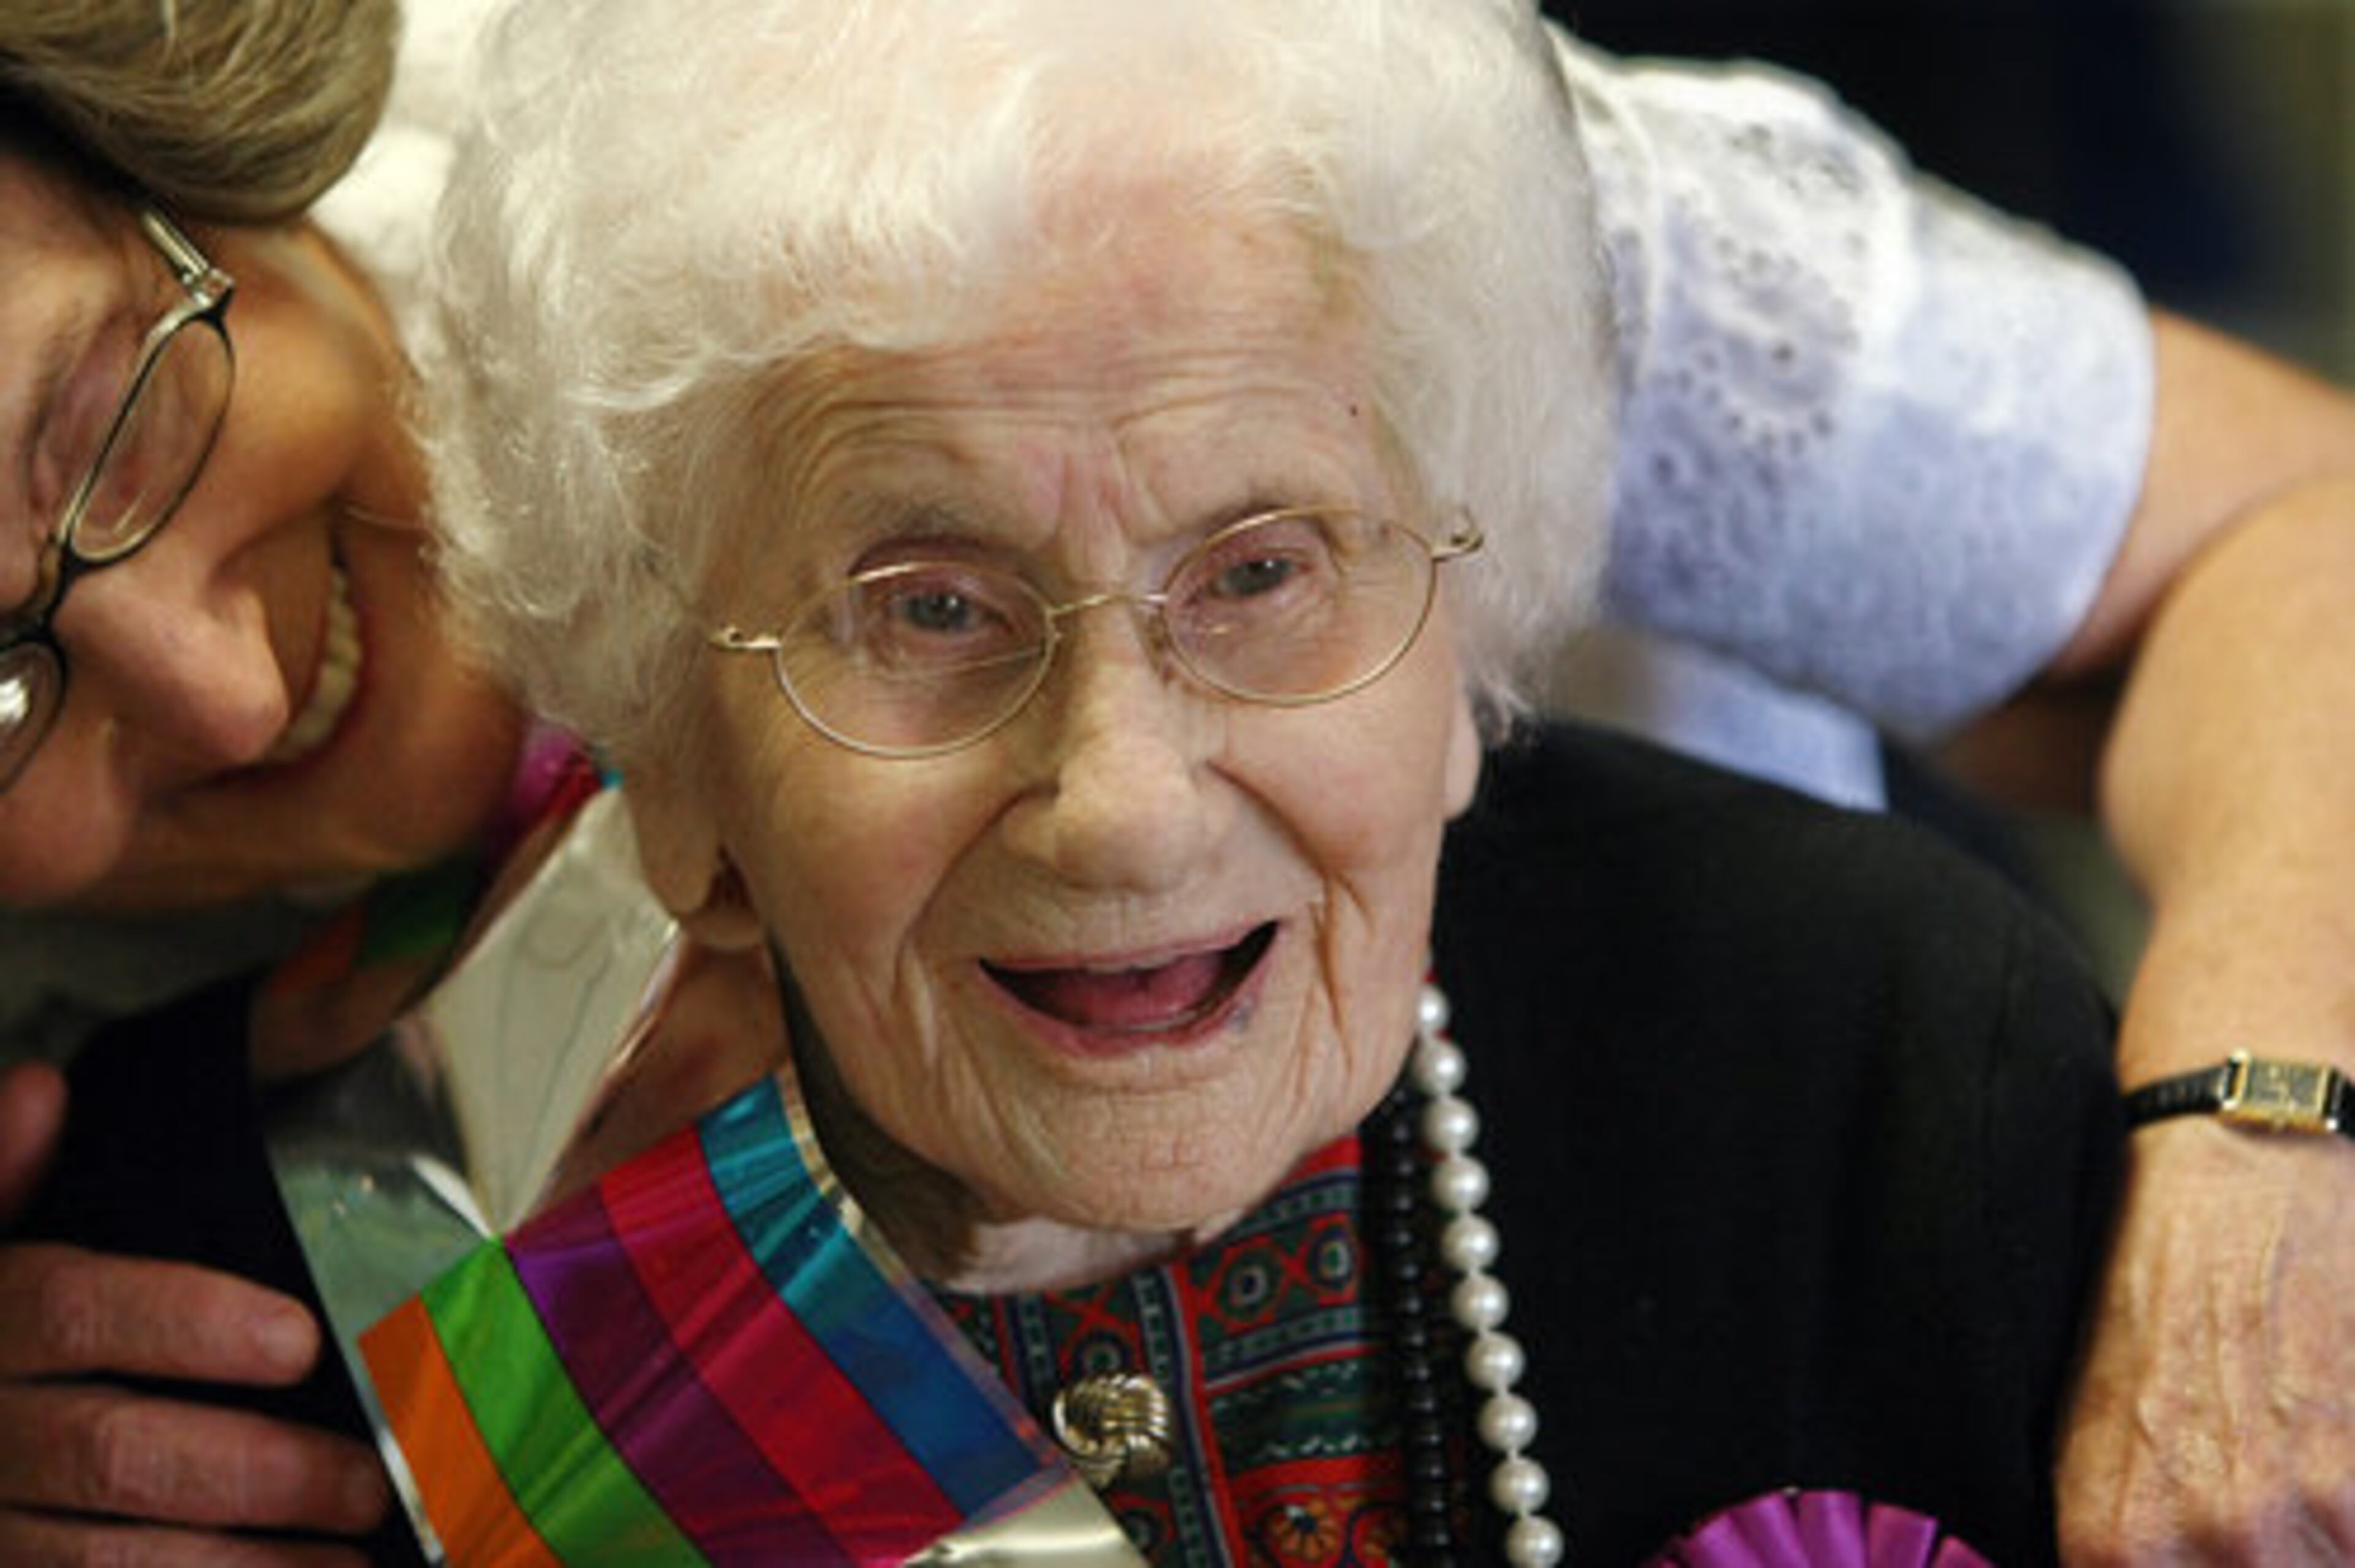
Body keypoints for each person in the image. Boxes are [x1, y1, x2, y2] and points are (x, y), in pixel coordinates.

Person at [3, 0, 2354, 1560]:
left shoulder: (1263, 142)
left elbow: (2286, 529)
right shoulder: (196, 1272)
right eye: (919, 608)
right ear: (666, 749)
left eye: (1261, 571)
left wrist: (2276, 1138)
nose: (1118, 799)